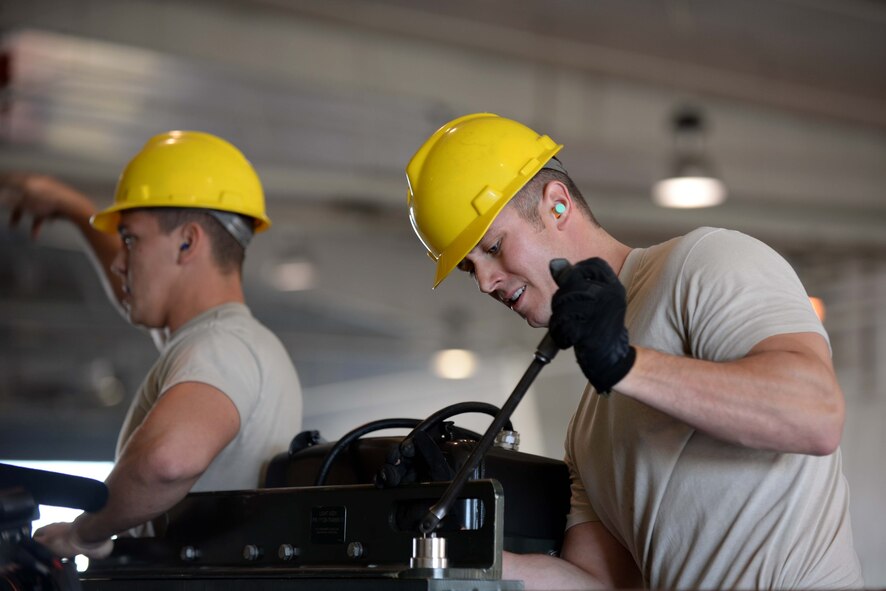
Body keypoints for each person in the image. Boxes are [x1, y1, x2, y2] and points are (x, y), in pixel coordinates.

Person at [404, 113, 863, 589]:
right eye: (468, 268)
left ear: (557, 205)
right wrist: (444, 553)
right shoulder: (586, 429)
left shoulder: (702, 264)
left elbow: (816, 414)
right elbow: (601, 584)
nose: (484, 282)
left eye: (493, 247)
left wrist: (624, 364)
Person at [0, 131, 303, 559]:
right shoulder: (224, 344)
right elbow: (136, 293)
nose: (120, 261)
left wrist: (84, 533)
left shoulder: (222, 346)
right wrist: (73, 209)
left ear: (187, 242)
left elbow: (167, 461)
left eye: (130, 240)